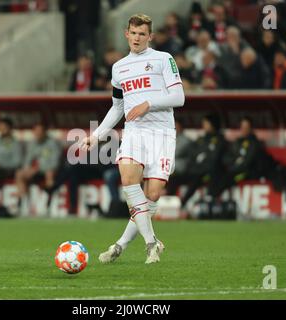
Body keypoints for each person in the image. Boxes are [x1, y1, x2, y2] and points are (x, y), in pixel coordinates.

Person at [80, 14, 185, 264]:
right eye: (133, 33)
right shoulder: (119, 68)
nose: (137, 38)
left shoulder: (163, 59)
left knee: (153, 195)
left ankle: (120, 244)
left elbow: (179, 97)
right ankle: (151, 244)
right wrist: (96, 135)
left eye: (142, 34)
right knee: (128, 179)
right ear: (126, 34)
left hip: (162, 134)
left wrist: (148, 103)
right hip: (135, 132)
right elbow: (117, 107)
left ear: (150, 37)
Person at [179, 114, 227, 207]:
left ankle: (183, 204)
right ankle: (171, 202)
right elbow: (192, 153)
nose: (204, 125)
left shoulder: (219, 140)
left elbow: (214, 159)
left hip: (210, 172)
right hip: (196, 170)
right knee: (176, 177)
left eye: (206, 123)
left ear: (213, 124)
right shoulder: (201, 139)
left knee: (197, 179)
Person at [15, 123, 63, 208]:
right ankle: (22, 203)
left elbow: (55, 163)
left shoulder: (53, 144)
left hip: (51, 170)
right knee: (20, 174)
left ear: (45, 132)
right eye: (36, 131)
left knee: (49, 173)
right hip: (37, 171)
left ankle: (48, 204)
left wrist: (37, 169)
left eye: (40, 131)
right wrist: (27, 168)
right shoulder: (32, 143)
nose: (38, 134)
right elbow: (27, 160)